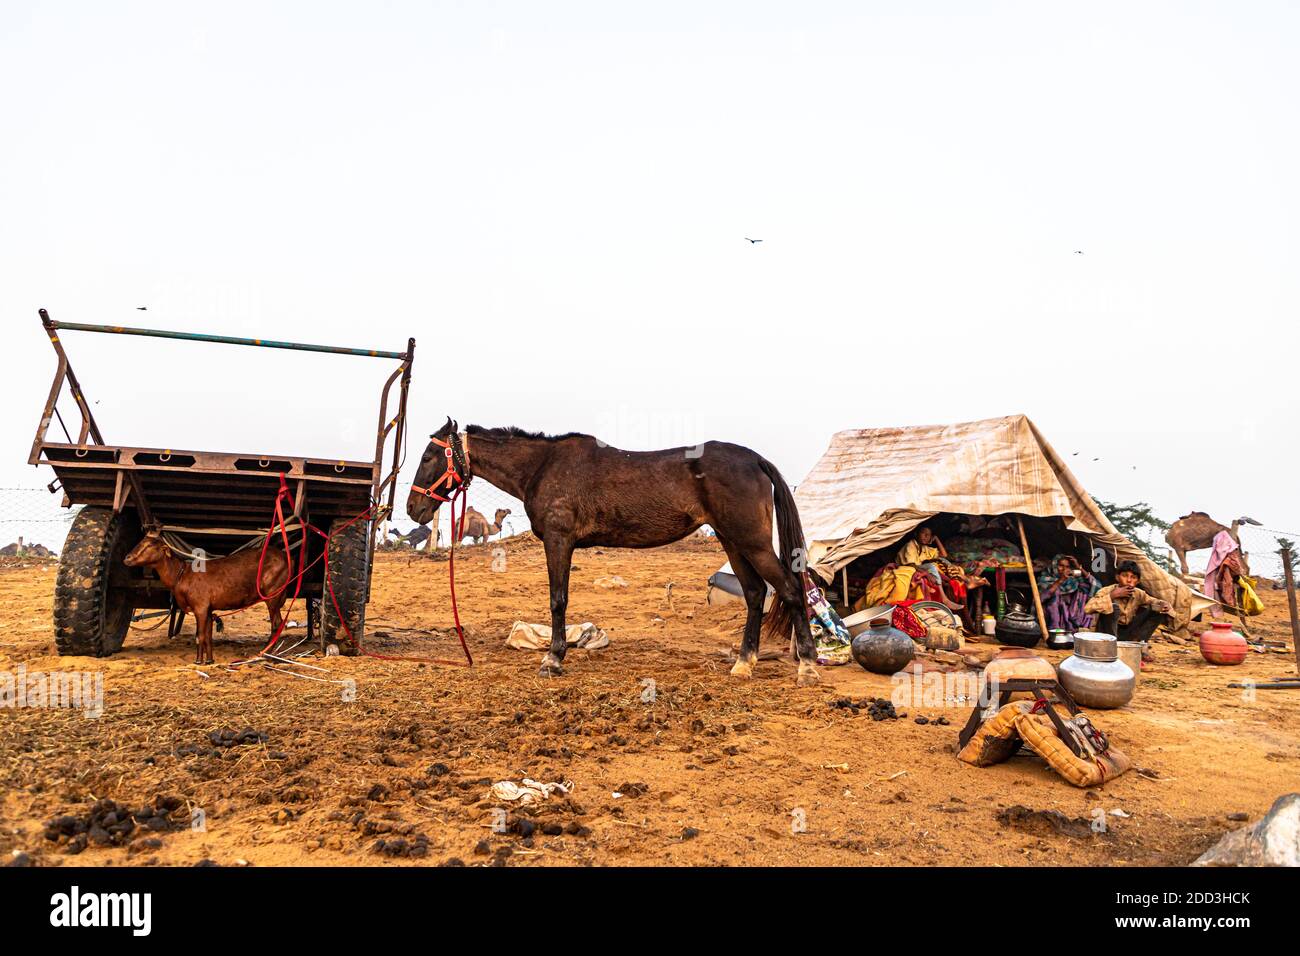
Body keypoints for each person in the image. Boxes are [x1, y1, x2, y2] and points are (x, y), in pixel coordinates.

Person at [1083, 560, 1172, 642]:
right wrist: (1112, 596)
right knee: (1114, 608)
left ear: (1137, 581)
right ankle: (1112, 646)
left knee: (1157, 610)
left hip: (1126, 632)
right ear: (1117, 577)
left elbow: (1153, 601)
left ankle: (1140, 645)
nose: (1129, 580)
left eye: (1133, 577)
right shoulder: (1106, 591)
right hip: (1106, 633)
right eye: (1125, 576)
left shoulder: (1138, 593)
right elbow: (1087, 608)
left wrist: (1162, 604)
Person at [1037, 554, 1100, 634]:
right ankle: (1054, 629)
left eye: (1067, 567)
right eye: (1061, 566)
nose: (1064, 569)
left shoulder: (1073, 581)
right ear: (1054, 565)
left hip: (1068, 618)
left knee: (1083, 590)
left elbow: (1096, 585)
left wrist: (1079, 567)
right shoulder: (1045, 578)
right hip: (1049, 618)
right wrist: (1061, 580)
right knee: (1055, 593)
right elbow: (1041, 597)